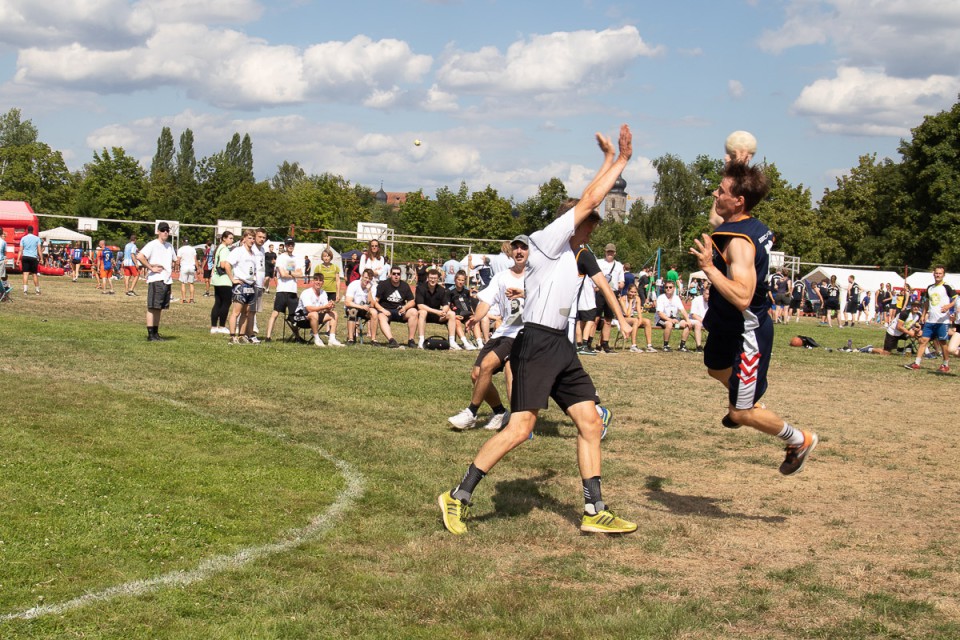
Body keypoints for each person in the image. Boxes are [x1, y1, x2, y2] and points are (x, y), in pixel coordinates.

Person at [438, 125, 637, 536]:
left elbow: (588, 201)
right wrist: (619, 160)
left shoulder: (573, 254)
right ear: (570, 223)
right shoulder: (547, 241)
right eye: (589, 223)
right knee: (521, 427)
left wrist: (608, 161)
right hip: (536, 343)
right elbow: (589, 199)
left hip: (561, 345)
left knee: (590, 422)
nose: (593, 228)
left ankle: (594, 510)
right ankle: (457, 496)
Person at [691, 160, 818, 476]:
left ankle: (799, 439)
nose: (715, 194)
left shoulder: (739, 243)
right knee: (715, 367)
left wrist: (708, 269)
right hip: (726, 326)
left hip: (747, 334)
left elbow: (742, 297)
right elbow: (718, 219)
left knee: (741, 413)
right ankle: (746, 397)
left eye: (721, 191)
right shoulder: (749, 225)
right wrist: (738, 165)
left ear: (739, 201)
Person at [448, 236, 528, 431]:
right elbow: (486, 301)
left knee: (489, 366)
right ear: (511, 252)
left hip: (522, 332)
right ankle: (500, 412)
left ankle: (471, 413)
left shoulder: (537, 276)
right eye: (515, 248)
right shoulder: (501, 277)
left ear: (529, 252)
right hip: (504, 330)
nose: (519, 251)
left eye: (523, 248)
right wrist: (476, 318)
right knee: (476, 374)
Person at [905, 266, 955, 372]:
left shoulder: (947, 287)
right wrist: (923, 315)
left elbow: (957, 299)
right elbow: (927, 302)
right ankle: (916, 363)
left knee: (942, 342)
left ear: (943, 275)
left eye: (940, 273)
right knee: (923, 341)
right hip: (930, 320)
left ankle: (945, 364)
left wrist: (948, 306)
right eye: (936, 273)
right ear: (933, 274)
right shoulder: (930, 288)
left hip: (942, 321)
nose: (938, 275)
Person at [137, 222, 176, 341]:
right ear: (158, 231)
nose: (165, 232)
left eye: (167, 230)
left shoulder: (169, 246)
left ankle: (156, 333)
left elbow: (175, 259)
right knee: (152, 307)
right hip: (156, 279)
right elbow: (140, 256)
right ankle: (150, 334)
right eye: (163, 230)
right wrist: (151, 267)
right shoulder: (153, 244)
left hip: (166, 280)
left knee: (159, 308)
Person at [265, 237, 303, 343]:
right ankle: (268, 337)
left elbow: (300, 274)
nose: (290, 246)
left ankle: (297, 337)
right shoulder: (281, 258)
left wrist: (289, 273)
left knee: (294, 316)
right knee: (275, 313)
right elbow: (282, 274)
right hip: (282, 290)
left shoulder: (296, 258)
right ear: (285, 245)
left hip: (293, 291)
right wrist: (293, 274)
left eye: (292, 244)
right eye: (288, 244)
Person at [372, 266, 418, 348]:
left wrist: (405, 307)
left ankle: (411, 340)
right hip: (386, 311)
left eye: (398, 274)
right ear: (390, 275)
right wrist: (382, 310)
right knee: (381, 316)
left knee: (414, 312)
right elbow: (375, 301)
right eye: (394, 274)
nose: (396, 275)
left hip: (400, 311)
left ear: (400, 275)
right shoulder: (383, 284)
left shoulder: (405, 285)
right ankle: (391, 340)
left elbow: (412, 301)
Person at [593, 243, 625, 353]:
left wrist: (621, 284)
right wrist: (595, 287)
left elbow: (621, 281)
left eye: (611, 252)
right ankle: (589, 341)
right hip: (601, 291)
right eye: (608, 251)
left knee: (608, 319)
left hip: (612, 292)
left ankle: (605, 343)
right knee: (595, 317)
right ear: (605, 252)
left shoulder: (619, 265)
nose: (610, 253)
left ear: (615, 253)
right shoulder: (599, 262)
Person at [415, 268, 458, 349]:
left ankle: (452, 342)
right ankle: (421, 341)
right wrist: (437, 312)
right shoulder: (420, 288)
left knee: (452, 314)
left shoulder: (442, 290)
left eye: (435, 278)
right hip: (424, 315)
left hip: (437, 315)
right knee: (423, 312)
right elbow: (420, 305)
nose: (433, 280)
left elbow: (446, 305)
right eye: (431, 278)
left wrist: (444, 311)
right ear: (428, 278)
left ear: (438, 279)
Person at [297, 273, 343, 347]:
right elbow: (309, 309)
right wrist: (324, 307)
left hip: (315, 317)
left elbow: (325, 310)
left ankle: (332, 339)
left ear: (323, 282)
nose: (318, 282)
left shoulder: (323, 293)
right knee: (314, 314)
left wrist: (330, 307)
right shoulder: (306, 293)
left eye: (320, 280)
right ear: (313, 281)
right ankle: (317, 338)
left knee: (334, 313)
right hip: (301, 318)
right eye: (316, 280)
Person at [344, 268, 379, 344]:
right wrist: (361, 307)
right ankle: (350, 339)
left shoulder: (373, 287)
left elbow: (372, 304)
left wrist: (369, 291)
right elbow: (347, 302)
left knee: (374, 312)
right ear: (362, 276)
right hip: (353, 307)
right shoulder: (354, 284)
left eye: (370, 279)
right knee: (352, 311)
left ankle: (373, 339)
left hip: (366, 309)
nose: (367, 280)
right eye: (366, 277)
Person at [655, 282, 692, 351]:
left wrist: (688, 320)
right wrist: (670, 320)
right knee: (669, 324)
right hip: (660, 321)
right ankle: (665, 346)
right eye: (666, 287)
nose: (668, 289)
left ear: (674, 288)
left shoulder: (676, 298)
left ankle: (682, 346)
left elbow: (682, 310)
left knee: (687, 324)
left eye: (670, 287)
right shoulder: (661, 298)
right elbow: (660, 314)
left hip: (674, 322)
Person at [209, 231, 234, 335]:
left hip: (217, 279)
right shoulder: (224, 249)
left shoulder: (219, 248)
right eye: (230, 238)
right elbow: (223, 265)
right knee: (226, 303)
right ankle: (222, 326)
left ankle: (214, 326)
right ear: (224, 238)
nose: (232, 240)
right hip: (224, 280)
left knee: (218, 302)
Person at [448, 270, 481, 349]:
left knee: (475, 322)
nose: (460, 282)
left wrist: (473, 315)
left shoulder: (466, 291)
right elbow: (447, 306)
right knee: (457, 322)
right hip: (456, 315)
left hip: (467, 314)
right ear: (455, 280)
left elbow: (469, 304)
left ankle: (480, 343)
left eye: (462, 280)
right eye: (459, 280)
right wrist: (454, 316)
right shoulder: (449, 291)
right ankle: (466, 343)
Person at [620, 284, 656, 352]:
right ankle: (633, 346)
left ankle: (649, 346)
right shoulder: (623, 299)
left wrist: (639, 322)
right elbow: (627, 314)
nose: (633, 294)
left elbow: (639, 314)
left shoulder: (637, 298)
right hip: (623, 318)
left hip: (632, 318)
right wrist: (631, 302)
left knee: (647, 321)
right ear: (627, 291)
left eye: (634, 292)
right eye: (631, 292)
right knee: (635, 320)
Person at [16, 225, 42, 295]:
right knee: (34, 274)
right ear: (33, 231)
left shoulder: (23, 238)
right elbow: (39, 249)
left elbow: (20, 250)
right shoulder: (37, 238)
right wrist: (41, 258)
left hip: (25, 256)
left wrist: (18, 259)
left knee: (25, 273)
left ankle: (25, 290)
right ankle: (37, 290)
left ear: (27, 231)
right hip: (33, 257)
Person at [687, 286, 709, 352]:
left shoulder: (713, 301)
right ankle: (699, 346)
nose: (709, 296)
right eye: (707, 294)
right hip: (693, 320)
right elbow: (693, 315)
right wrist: (705, 321)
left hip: (706, 321)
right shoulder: (696, 300)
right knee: (698, 324)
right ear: (703, 293)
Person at [176, 238, 198, 303]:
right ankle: (191, 299)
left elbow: (178, 260)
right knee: (191, 283)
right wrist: (198, 268)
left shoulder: (180, 249)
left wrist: (176, 267)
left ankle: (184, 299)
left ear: (182, 241)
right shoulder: (192, 249)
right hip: (192, 267)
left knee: (183, 283)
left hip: (184, 267)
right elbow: (195, 259)